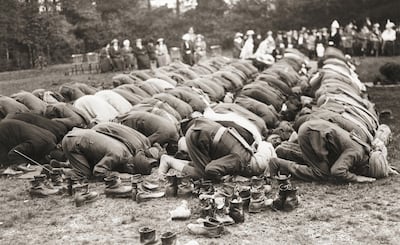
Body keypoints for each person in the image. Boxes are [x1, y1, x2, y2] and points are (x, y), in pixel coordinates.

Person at [268, 119, 398, 183]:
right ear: (367, 166)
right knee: (322, 174)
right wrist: (356, 178)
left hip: (315, 130)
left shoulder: (364, 152)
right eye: (367, 172)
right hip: (311, 134)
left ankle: (285, 151)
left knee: (323, 163)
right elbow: (337, 171)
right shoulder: (357, 154)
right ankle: (278, 163)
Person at [158, 117, 276, 181]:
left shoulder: (248, 156)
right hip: (198, 132)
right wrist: (229, 178)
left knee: (205, 168)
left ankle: (171, 161)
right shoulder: (243, 161)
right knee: (205, 173)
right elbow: (211, 170)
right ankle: (170, 161)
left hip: (201, 130)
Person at [61, 128, 157, 179]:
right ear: (131, 165)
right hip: (73, 141)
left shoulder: (126, 152)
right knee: (84, 175)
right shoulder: (118, 155)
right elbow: (98, 171)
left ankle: (67, 164)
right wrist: (118, 175)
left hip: (80, 136)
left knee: (88, 166)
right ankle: (60, 172)